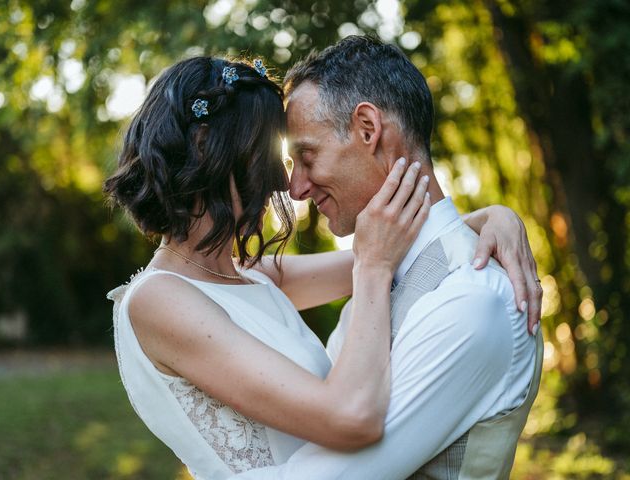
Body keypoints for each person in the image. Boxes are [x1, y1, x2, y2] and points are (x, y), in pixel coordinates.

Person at [104, 52, 539, 480]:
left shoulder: (249, 277)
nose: (285, 185)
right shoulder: (159, 299)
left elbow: (392, 250)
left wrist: (483, 219)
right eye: (268, 159)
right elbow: (371, 263)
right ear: (209, 154)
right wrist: (375, 269)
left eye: (303, 157)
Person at [230, 36, 542, 479]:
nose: (295, 188)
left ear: (367, 130)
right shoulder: (377, 271)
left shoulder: (474, 302)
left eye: (307, 156)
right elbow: (223, 278)